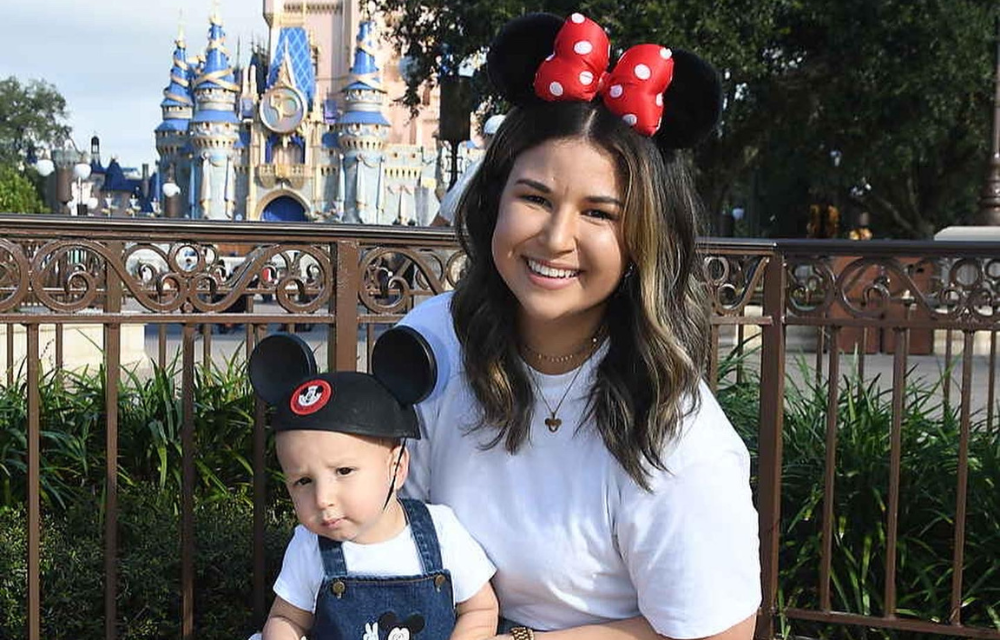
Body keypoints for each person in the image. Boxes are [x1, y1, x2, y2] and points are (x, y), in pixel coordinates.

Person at [400, 12, 760, 640]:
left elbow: (719, 632)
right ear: (493, 201)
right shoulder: (434, 343)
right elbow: (380, 531)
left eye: (599, 213)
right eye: (535, 198)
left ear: (642, 240)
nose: (556, 238)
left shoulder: (674, 427)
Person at [248, 328, 499, 640]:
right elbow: (286, 618)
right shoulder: (309, 547)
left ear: (397, 467)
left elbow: (480, 609)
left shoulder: (442, 533)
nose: (323, 498)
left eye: (343, 471)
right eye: (303, 481)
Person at [431, 114, 506, 227]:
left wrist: (432, 228)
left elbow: (452, 205)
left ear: (485, 138)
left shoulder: (479, 167)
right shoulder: (520, 166)